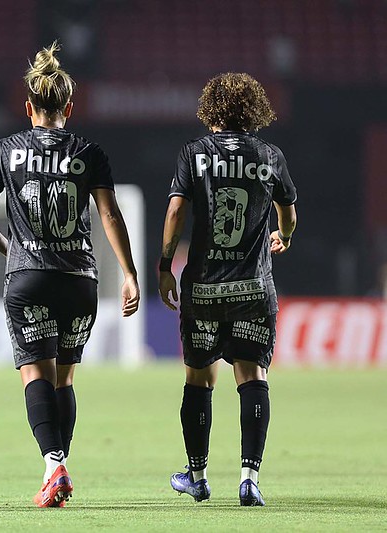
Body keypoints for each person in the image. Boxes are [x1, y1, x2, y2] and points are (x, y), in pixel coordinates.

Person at [0, 42, 140, 508]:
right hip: (80, 281)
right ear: (69, 107)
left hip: (28, 277)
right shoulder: (90, 153)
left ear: (28, 106)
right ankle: (57, 469)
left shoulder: (6, 151)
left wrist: (3, 244)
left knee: (35, 375)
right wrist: (128, 273)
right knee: (64, 380)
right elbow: (110, 215)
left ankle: (53, 466)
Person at [158, 72, 297, 507]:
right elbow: (288, 212)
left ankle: (197, 476)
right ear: (254, 110)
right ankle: (249, 478)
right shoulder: (270, 155)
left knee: (199, 380)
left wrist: (165, 265)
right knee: (253, 376)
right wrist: (284, 236)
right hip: (254, 289)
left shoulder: (194, 154)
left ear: (211, 110)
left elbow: (177, 209)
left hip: (204, 290)